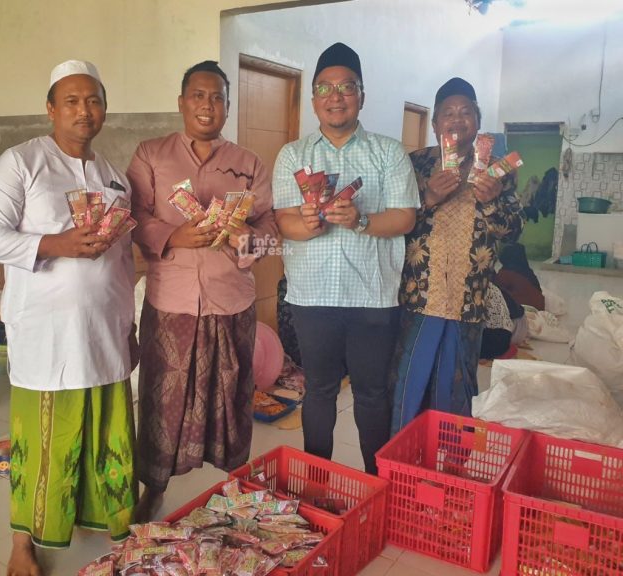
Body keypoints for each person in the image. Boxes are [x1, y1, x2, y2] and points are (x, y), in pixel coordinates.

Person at [0, 60, 137, 576]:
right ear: (51, 108)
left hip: (105, 328)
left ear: (104, 110)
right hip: (46, 334)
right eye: (70, 101)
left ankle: (103, 518)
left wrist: (129, 322)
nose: (83, 111)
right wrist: (57, 243)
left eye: (92, 100)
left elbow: (124, 256)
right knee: (45, 442)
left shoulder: (114, 174)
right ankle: (24, 542)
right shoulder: (20, 163)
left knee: (104, 434)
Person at [127, 60, 276, 521]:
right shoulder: (151, 154)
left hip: (230, 301)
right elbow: (132, 217)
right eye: (198, 96)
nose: (207, 105)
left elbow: (271, 230)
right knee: (161, 400)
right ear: (181, 102)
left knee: (231, 395)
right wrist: (173, 236)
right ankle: (152, 488)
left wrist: (246, 238)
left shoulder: (248, 163)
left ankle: (236, 484)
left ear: (228, 106)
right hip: (170, 302)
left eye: (217, 97)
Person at [272, 42, 419, 474]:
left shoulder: (388, 153)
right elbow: (283, 220)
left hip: (372, 296)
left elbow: (406, 217)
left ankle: (377, 484)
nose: (336, 96)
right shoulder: (293, 155)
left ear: (361, 96)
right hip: (312, 295)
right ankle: (317, 480)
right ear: (314, 98)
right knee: (318, 390)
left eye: (347, 87)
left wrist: (359, 220)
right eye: (325, 88)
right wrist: (309, 223)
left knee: (372, 393)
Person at [390, 77, 524, 436]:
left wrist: (492, 200)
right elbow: (392, 226)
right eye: (448, 112)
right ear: (434, 124)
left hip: (469, 300)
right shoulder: (414, 165)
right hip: (418, 298)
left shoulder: (500, 171)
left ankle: (452, 471)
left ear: (478, 121)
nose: (457, 118)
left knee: (457, 388)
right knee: (408, 387)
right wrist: (428, 198)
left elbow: (514, 233)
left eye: (466, 111)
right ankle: (403, 464)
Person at [494, 242, 545, 310]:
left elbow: (497, 292)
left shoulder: (505, 273)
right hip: (539, 306)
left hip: (523, 310)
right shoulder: (528, 270)